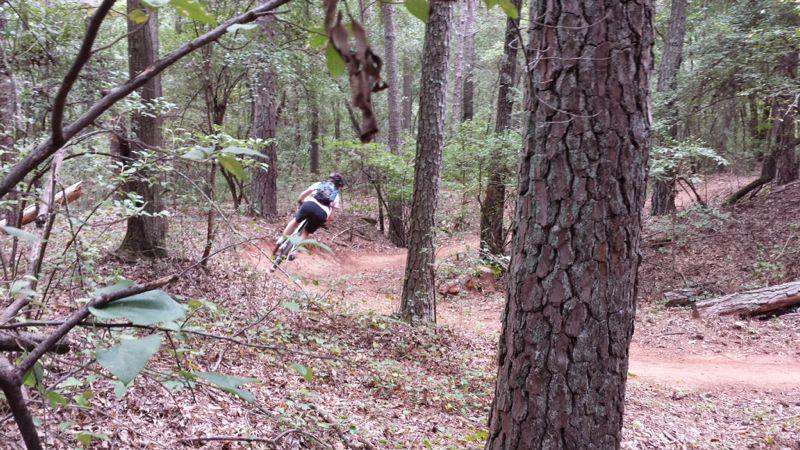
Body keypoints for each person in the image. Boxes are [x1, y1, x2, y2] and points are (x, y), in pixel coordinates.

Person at [273, 172, 344, 256]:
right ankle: (293, 251)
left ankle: (282, 238)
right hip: (322, 214)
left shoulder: (319, 184)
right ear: (338, 185)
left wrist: (300, 200)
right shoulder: (336, 195)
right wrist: (323, 222)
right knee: (305, 232)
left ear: (330, 179)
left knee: (295, 221)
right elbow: (331, 217)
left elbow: (303, 195)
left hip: (309, 205)